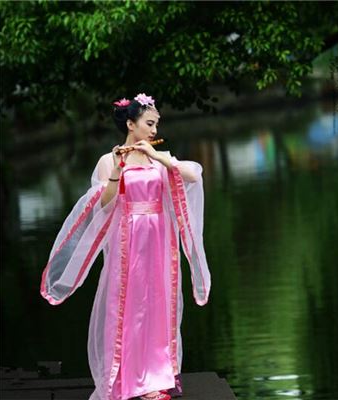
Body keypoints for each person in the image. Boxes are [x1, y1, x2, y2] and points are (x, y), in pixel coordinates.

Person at [40, 93, 211, 400]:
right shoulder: (109, 160)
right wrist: (118, 170)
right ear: (131, 124)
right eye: (149, 123)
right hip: (128, 239)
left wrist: (160, 157)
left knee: (159, 302)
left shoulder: (159, 157)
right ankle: (125, 379)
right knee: (129, 305)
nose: (154, 130)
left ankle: (156, 377)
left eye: (156, 124)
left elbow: (193, 176)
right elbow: (103, 203)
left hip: (159, 237)